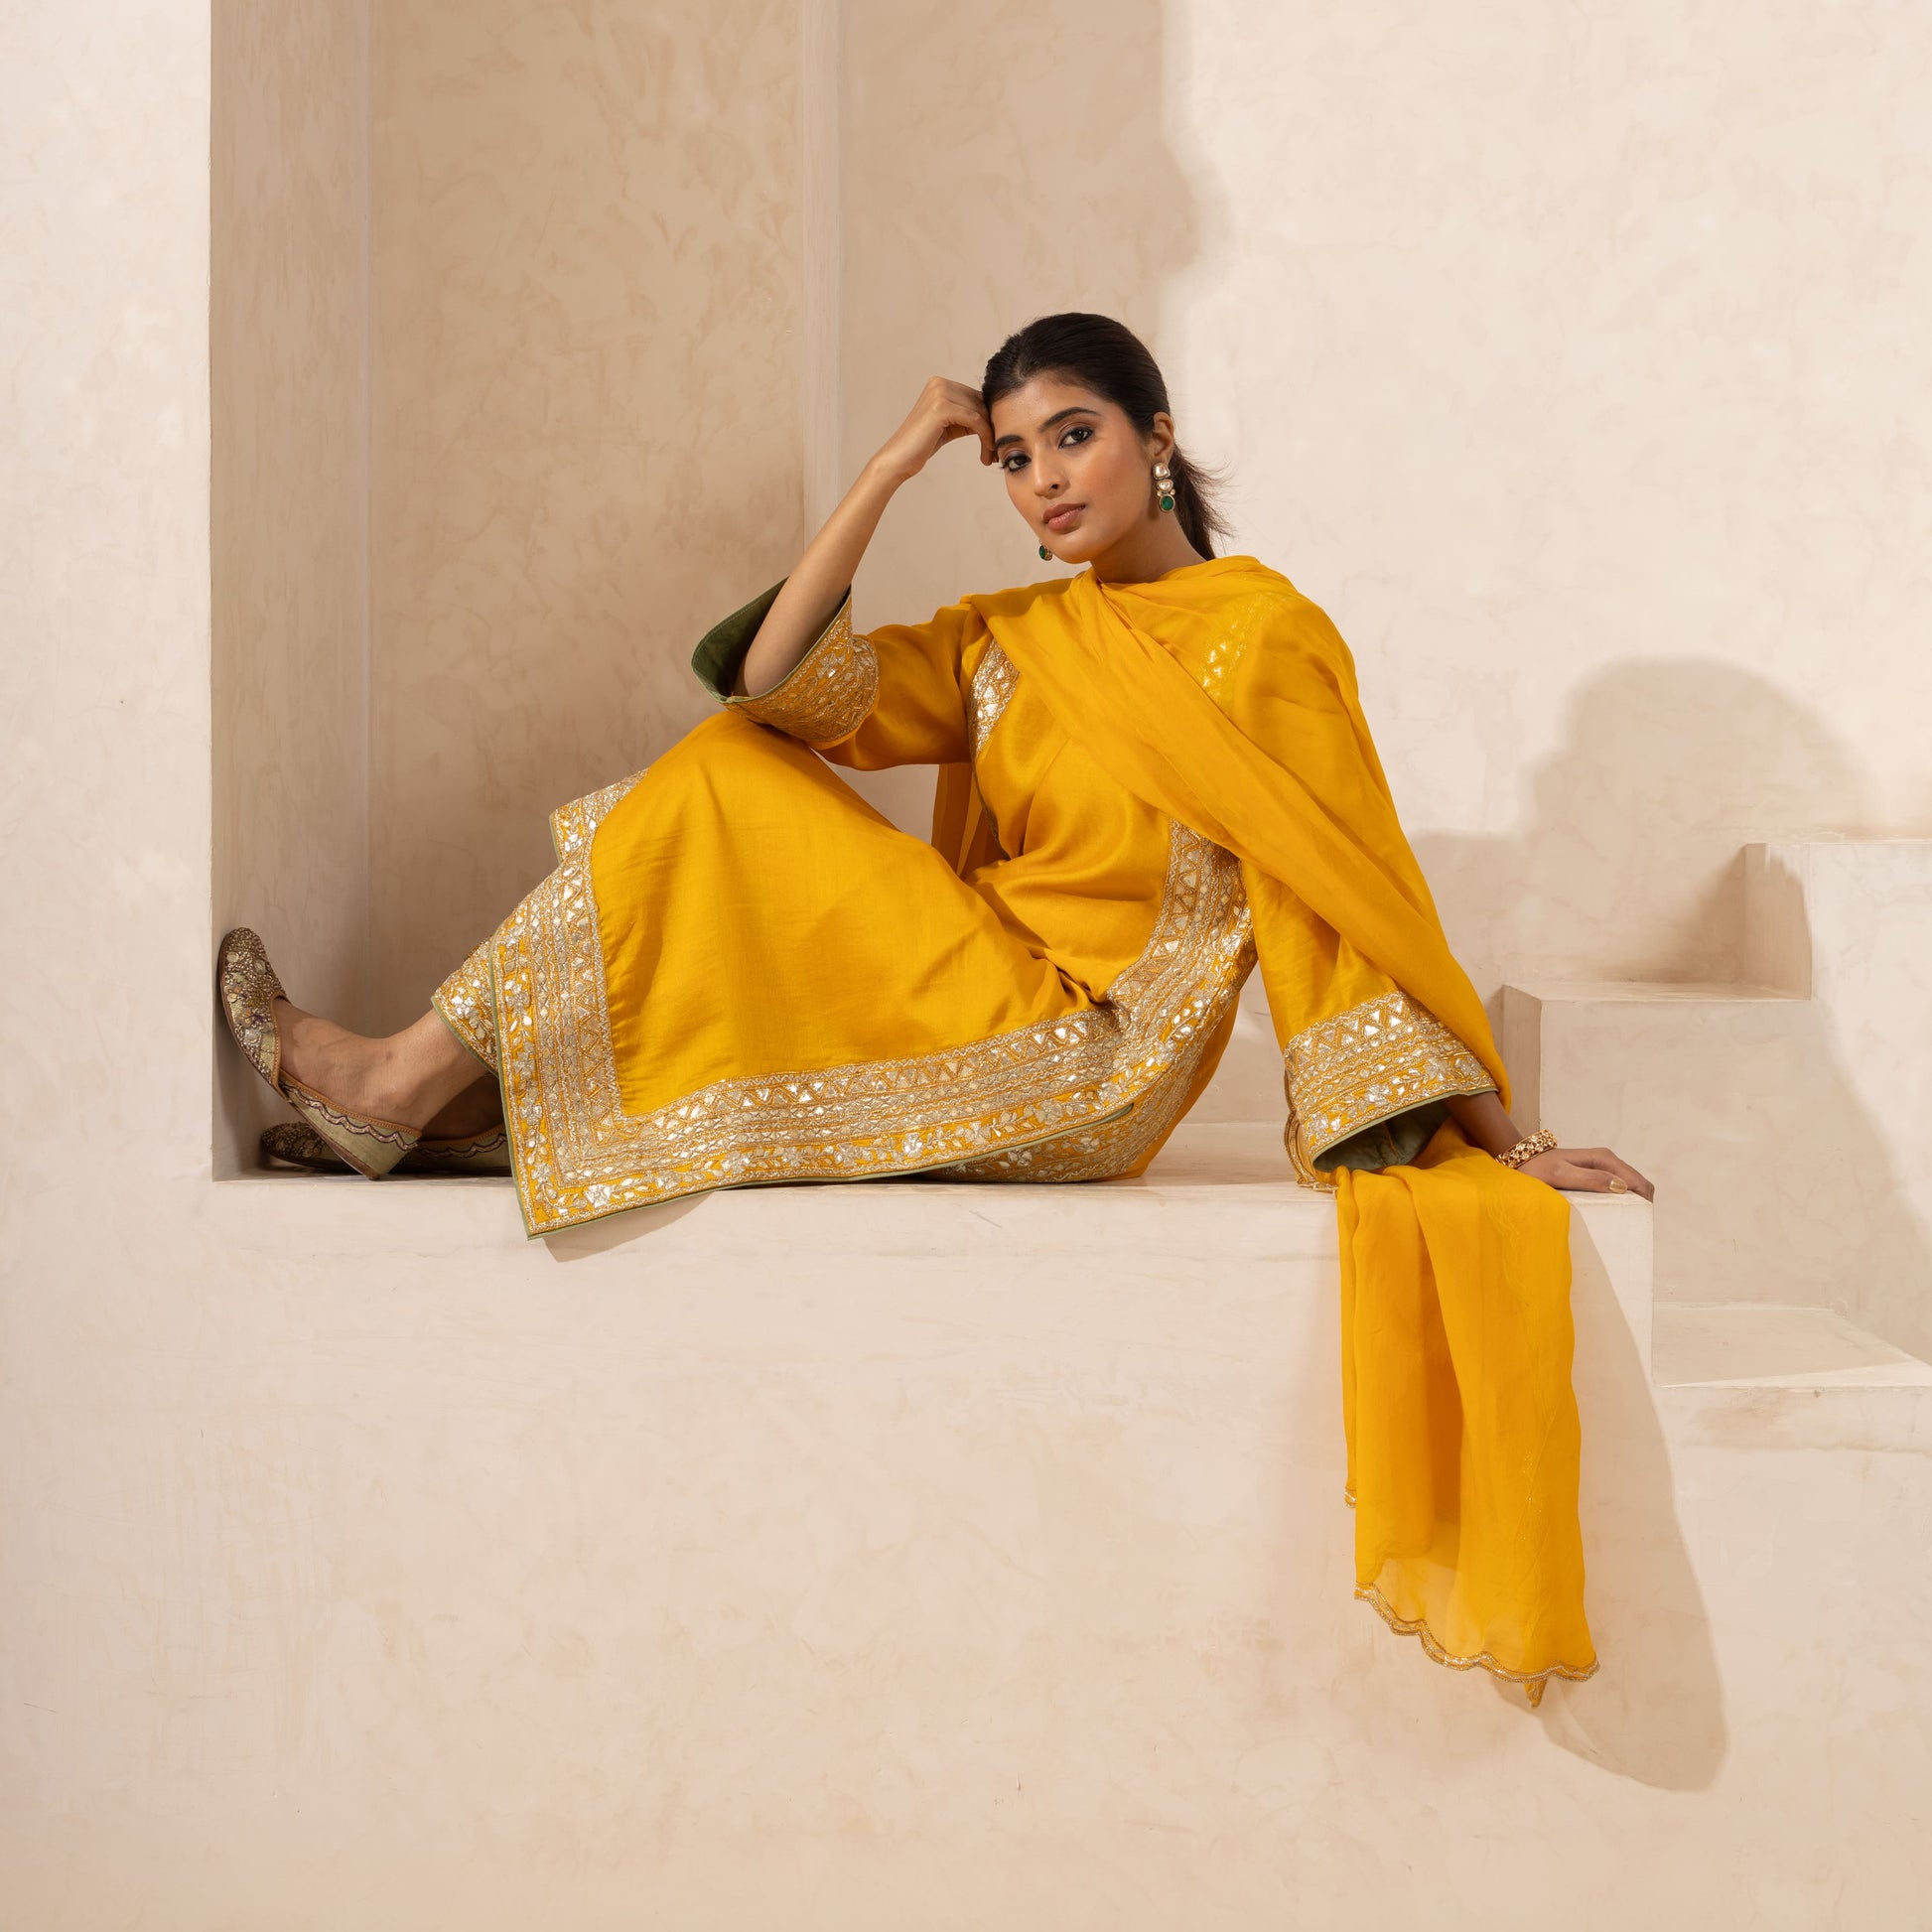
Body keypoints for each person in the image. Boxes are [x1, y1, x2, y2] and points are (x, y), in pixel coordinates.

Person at [220, 312, 1651, 1705]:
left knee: (722, 789)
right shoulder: (1012, 637)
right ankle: (445, 1097)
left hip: (1100, 1048)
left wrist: (1502, 1138)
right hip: (980, 973)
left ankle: (403, 1081)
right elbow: (777, 684)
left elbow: (1349, 885)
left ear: (1158, 439)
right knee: (734, 762)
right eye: (1014, 457)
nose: (1046, 479)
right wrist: (891, 465)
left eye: (1075, 436)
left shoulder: (1266, 637)